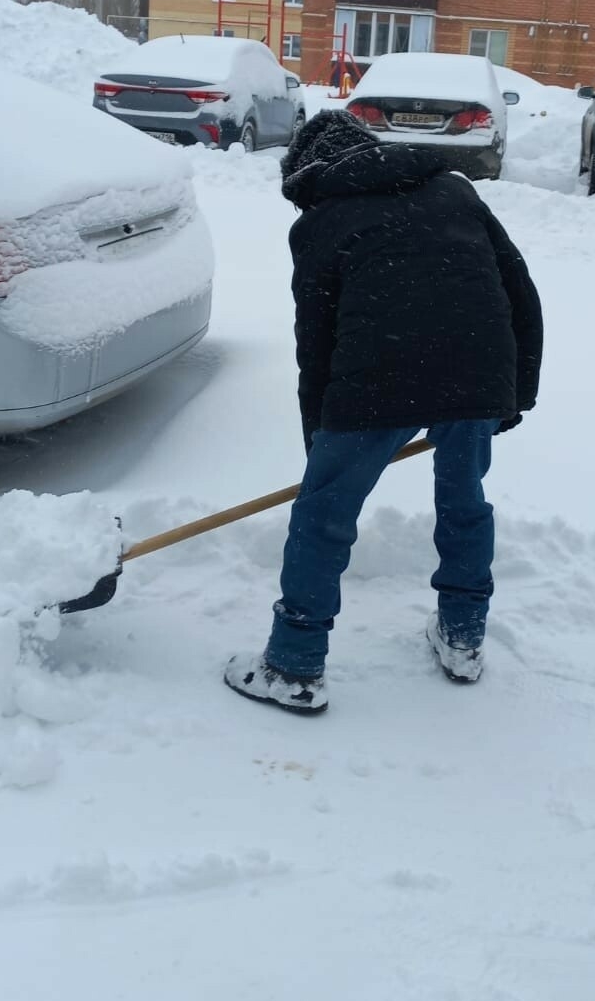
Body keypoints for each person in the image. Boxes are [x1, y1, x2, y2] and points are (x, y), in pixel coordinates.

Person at [224, 109, 543, 714]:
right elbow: (520, 290)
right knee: (464, 502)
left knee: (323, 518)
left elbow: (313, 343)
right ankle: (463, 637)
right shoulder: (454, 190)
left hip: (374, 382)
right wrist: (514, 393)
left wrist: (318, 440)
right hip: (478, 372)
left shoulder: (320, 223)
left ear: (308, 173)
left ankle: (294, 664)